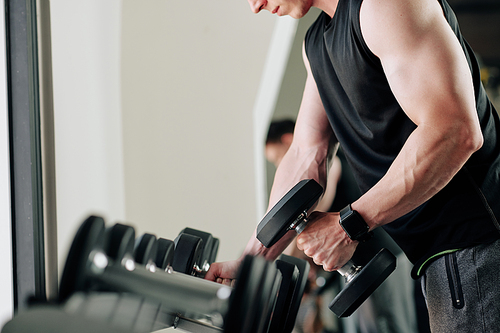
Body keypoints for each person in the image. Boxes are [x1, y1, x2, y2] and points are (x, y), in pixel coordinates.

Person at [206, 0, 500, 332]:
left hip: (479, 242)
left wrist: (350, 225)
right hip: (438, 256)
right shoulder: (317, 44)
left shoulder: (384, 6)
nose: (255, 6)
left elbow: (455, 130)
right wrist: (252, 263)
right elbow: (306, 155)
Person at [266, 119, 423, 333]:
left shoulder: (331, 164)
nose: (279, 166)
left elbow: (317, 208)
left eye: (277, 159)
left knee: (392, 326)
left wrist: (287, 262)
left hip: (382, 257)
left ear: (288, 140)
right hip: (360, 266)